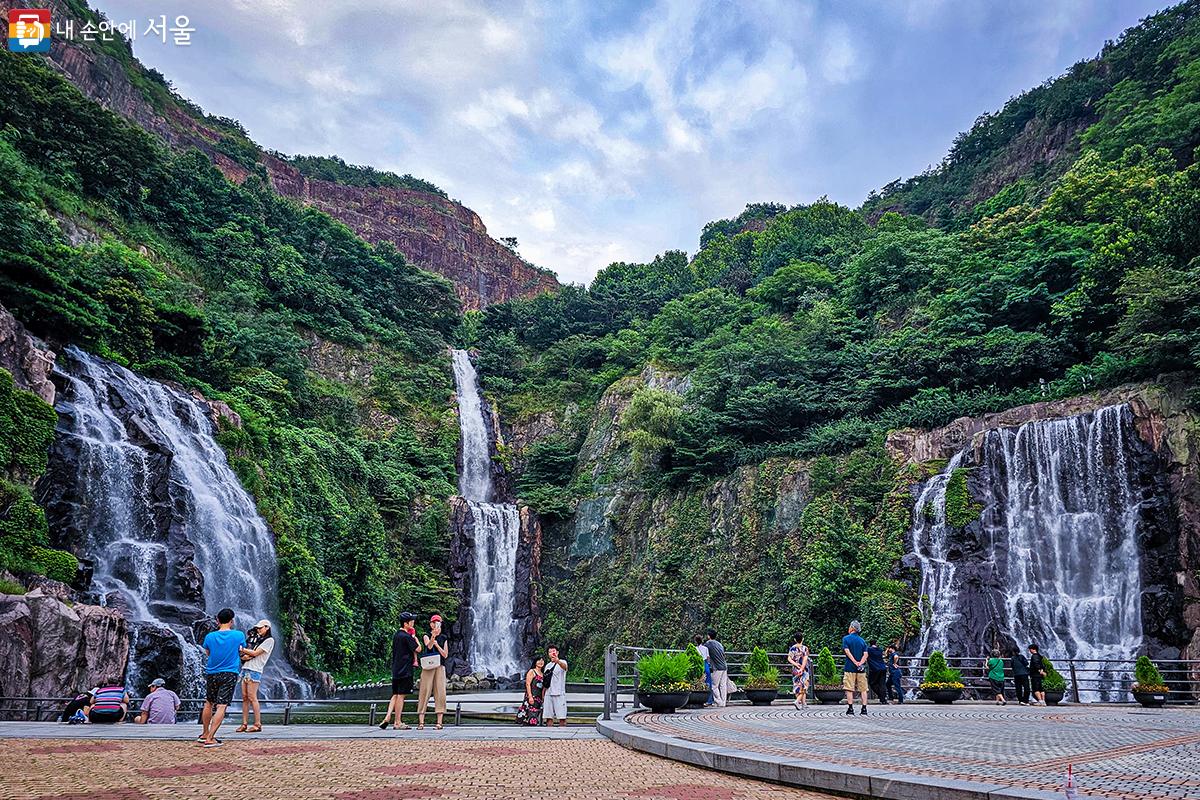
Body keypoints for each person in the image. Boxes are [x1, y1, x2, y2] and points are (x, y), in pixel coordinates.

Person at [199, 607, 246, 747]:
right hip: (229, 673)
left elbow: (208, 652)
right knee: (222, 705)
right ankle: (210, 739)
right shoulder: (239, 635)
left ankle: (204, 733)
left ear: (218, 620)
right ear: (232, 621)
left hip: (212, 672)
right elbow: (242, 651)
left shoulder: (209, 636)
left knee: (208, 702)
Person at [380, 612, 418, 730]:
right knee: (401, 696)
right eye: (411, 621)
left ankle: (387, 716)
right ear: (406, 624)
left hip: (396, 669)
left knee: (395, 694)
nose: (413, 622)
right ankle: (397, 722)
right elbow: (418, 648)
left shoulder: (397, 635)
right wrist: (415, 638)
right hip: (405, 669)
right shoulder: (407, 637)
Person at [236, 619, 275, 733]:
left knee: (252, 697)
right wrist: (243, 655)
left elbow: (255, 653)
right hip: (245, 668)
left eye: (260, 628)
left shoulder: (269, 640)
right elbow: (245, 656)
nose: (258, 630)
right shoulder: (255, 639)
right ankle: (244, 724)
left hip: (255, 670)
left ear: (267, 627)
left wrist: (242, 650)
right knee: (244, 697)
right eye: (257, 628)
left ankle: (257, 724)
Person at [417, 613, 449, 730]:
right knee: (424, 691)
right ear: (431, 624)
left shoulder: (444, 637)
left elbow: (445, 655)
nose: (436, 624)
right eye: (434, 622)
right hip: (428, 667)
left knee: (440, 693)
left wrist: (438, 645)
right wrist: (433, 637)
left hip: (440, 666)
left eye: (438, 622)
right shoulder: (426, 635)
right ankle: (421, 722)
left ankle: (439, 722)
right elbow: (429, 647)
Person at [842, 621, 869, 716]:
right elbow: (866, 654)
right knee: (863, 689)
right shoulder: (862, 641)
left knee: (849, 688)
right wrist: (860, 663)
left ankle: (850, 708)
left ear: (852, 628)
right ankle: (864, 709)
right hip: (861, 669)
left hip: (850, 667)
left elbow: (847, 651)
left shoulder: (846, 639)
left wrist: (854, 662)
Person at [543, 645, 569, 726]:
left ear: (557, 652)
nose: (552, 653)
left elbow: (564, 667)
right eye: (550, 652)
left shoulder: (562, 662)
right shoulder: (547, 666)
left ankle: (563, 735)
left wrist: (558, 661)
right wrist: (543, 694)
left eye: (553, 651)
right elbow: (545, 681)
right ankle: (549, 733)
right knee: (548, 717)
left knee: (562, 717)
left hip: (559, 693)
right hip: (548, 693)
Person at [515, 656, 545, 726]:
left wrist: (543, 698)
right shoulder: (532, 671)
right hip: (532, 696)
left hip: (539, 697)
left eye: (542, 660)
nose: (541, 662)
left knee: (536, 713)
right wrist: (530, 696)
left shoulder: (543, 674)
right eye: (539, 660)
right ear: (535, 662)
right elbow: (528, 684)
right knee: (529, 713)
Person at [705, 630, 729, 707]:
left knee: (714, 686)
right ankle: (723, 702)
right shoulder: (719, 644)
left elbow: (703, 651)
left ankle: (719, 702)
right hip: (724, 666)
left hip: (717, 667)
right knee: (723, 685)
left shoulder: (708, 643)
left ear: (709, 636)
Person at [787, 633, 810, 709]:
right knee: (804, 686)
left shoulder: (792, 648)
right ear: (802, 639)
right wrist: (801, 669)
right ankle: (797, 701)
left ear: (794, 639)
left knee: (797, 686)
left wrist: (796, 665)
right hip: (804, 670)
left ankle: (803, 704)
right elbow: (805, 659)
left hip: (795, 670)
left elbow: (789, 658)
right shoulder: (805, 648)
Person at [866, 639, 889, 704]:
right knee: (882, 684)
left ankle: (881, 696)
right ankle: (883, 699)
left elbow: (865, 655)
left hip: (874, 669)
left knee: (872, 683)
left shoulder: (868, 649)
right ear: (876, 643)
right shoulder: (880, 650)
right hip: (883, 668)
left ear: (870, 643)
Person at [693, 634, 713, 705]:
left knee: (698, 681)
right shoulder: (705, 648)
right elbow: (708, 658)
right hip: (705, 664)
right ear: (702, 640)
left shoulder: (695, 649)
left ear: (695, 641)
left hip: (698, 664)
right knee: (708, 682)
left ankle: (699, 699)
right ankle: (709, 700)